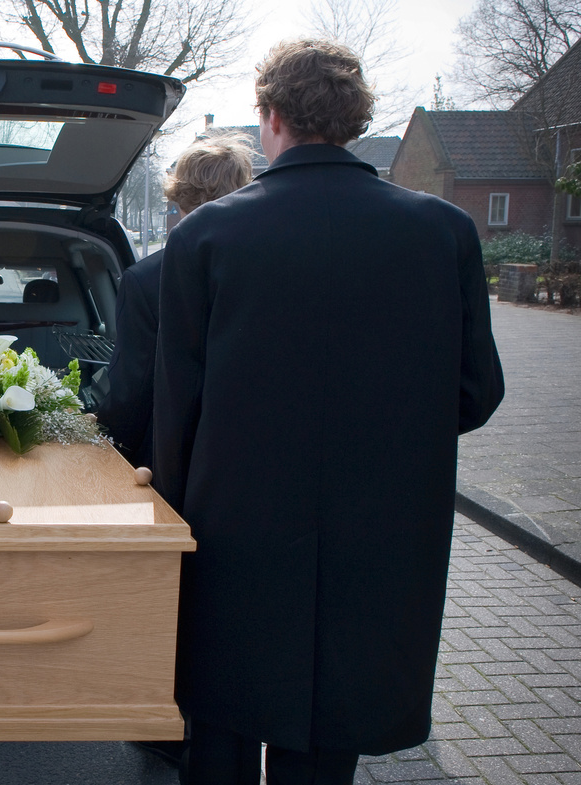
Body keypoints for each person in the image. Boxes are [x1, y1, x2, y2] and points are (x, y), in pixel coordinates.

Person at [153, 39, 504, 785]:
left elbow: (175, 408)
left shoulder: (207, 235)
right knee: (327, 734)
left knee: (221, 723)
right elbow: (477, 391)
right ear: (354, 118)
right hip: (379, 526)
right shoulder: (444, 231)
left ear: (269, 116)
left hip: (234, 525)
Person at [98, 135, 253, 471]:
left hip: (168, 463)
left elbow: (131, 396)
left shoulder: (147, 280)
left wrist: (100, 442)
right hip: (249, 459)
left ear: (179, 194)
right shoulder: (266, 274)